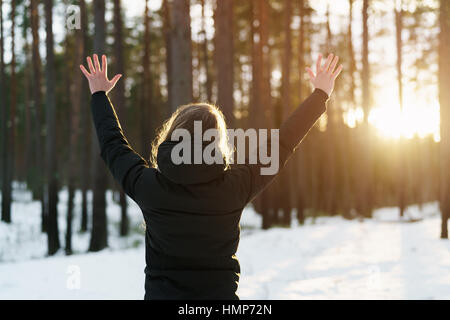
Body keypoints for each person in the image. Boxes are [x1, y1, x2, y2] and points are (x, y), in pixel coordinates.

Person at [80, 53, 342, 300]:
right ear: (216, 142)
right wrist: (320, 95)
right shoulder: (235, 186)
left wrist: (99, 95)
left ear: (174, 135)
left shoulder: (148, 186)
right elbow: (283, 143)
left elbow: (112, 144)